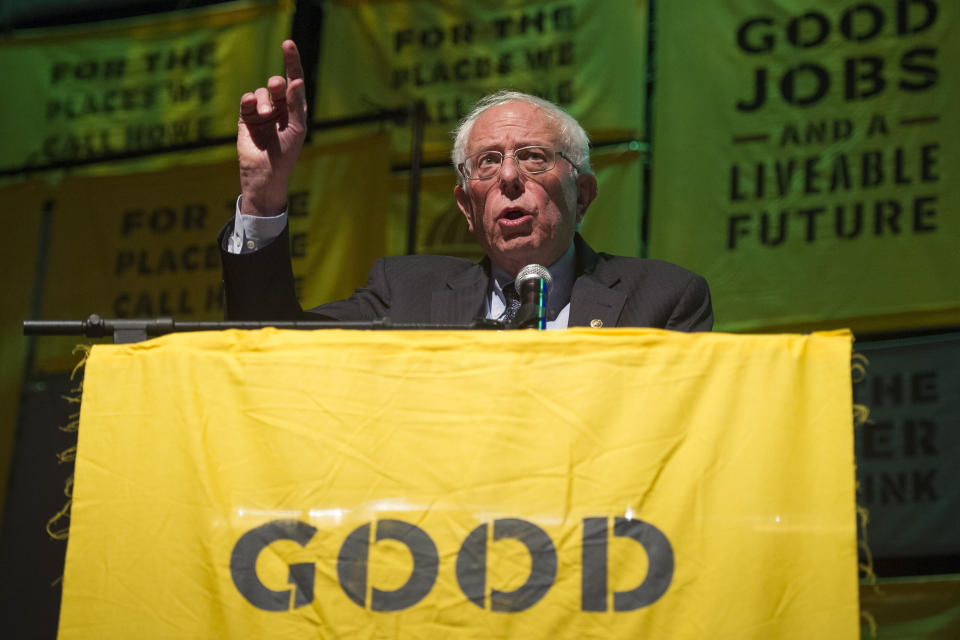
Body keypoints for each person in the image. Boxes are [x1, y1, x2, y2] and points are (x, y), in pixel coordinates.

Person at [219, 41, 713, 331]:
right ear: (465, 205)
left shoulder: (664, 300)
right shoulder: (405, 295)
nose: (510, 177)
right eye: (488, 162)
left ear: (581, 194)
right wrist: (264, 194)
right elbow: (270, 342)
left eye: (534, 158)